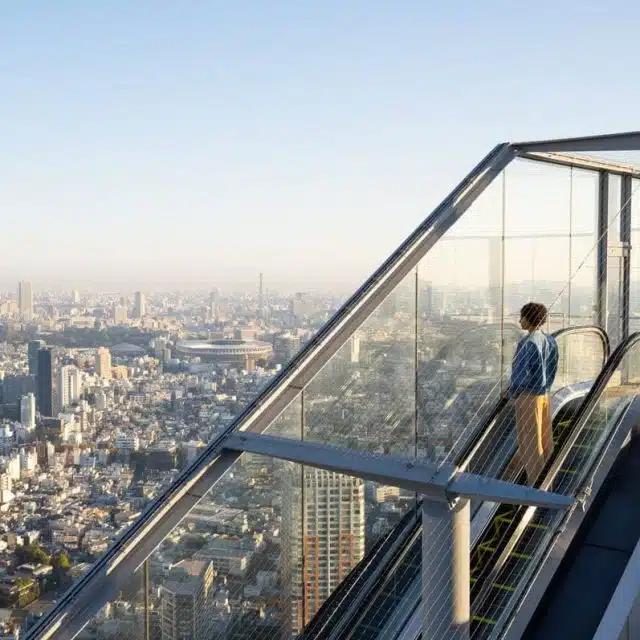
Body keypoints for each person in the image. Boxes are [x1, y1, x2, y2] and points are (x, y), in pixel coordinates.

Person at [509, 302, 559, 484]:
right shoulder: (550, 340)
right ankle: (549, 481)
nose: (519, 320)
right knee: (546, 441)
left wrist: (511, 392)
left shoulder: (527, 343)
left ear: (529, 319)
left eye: (522, 316)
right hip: (544, 396)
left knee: (530, 444)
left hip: (528, 398)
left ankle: (536, 487)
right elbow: (553, 368)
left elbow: (520, 374)